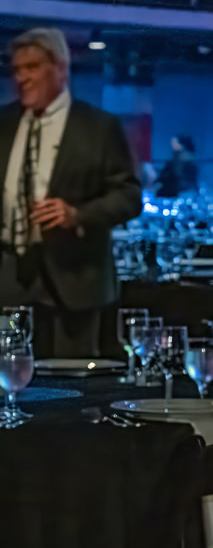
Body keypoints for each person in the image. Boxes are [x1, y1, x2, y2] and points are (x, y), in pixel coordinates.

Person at [0, 27, 143, 357]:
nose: (22, 78)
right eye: (17, 70)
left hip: (76, 279)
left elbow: (129, 195)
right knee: (9, 380)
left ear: (61, 68)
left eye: (32, 68)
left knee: (71, 389)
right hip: (9, 280)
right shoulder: (4, 123)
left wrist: (78, 215)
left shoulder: (99, 127)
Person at [156, 133, 199, 198]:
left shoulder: (183, 160)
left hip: (181, 192)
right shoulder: (176, 159)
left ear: (182, 144)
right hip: (177, 191)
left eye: (175, 142)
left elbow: (178, 176)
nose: (172, 144)